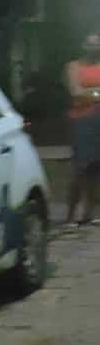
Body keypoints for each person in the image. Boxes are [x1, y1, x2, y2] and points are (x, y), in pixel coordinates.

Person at [64, 33, 100, 226]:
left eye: (98, 44)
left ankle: (89, 214)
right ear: (83, 46)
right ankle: (70, 216)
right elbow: (75, 92)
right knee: (80, 168)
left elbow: (82, 93)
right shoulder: (73, 66)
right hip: (82, 121)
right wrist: (97, 93)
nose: (95, 48)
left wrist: (89, 93)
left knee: (96, 168)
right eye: (91, 44)